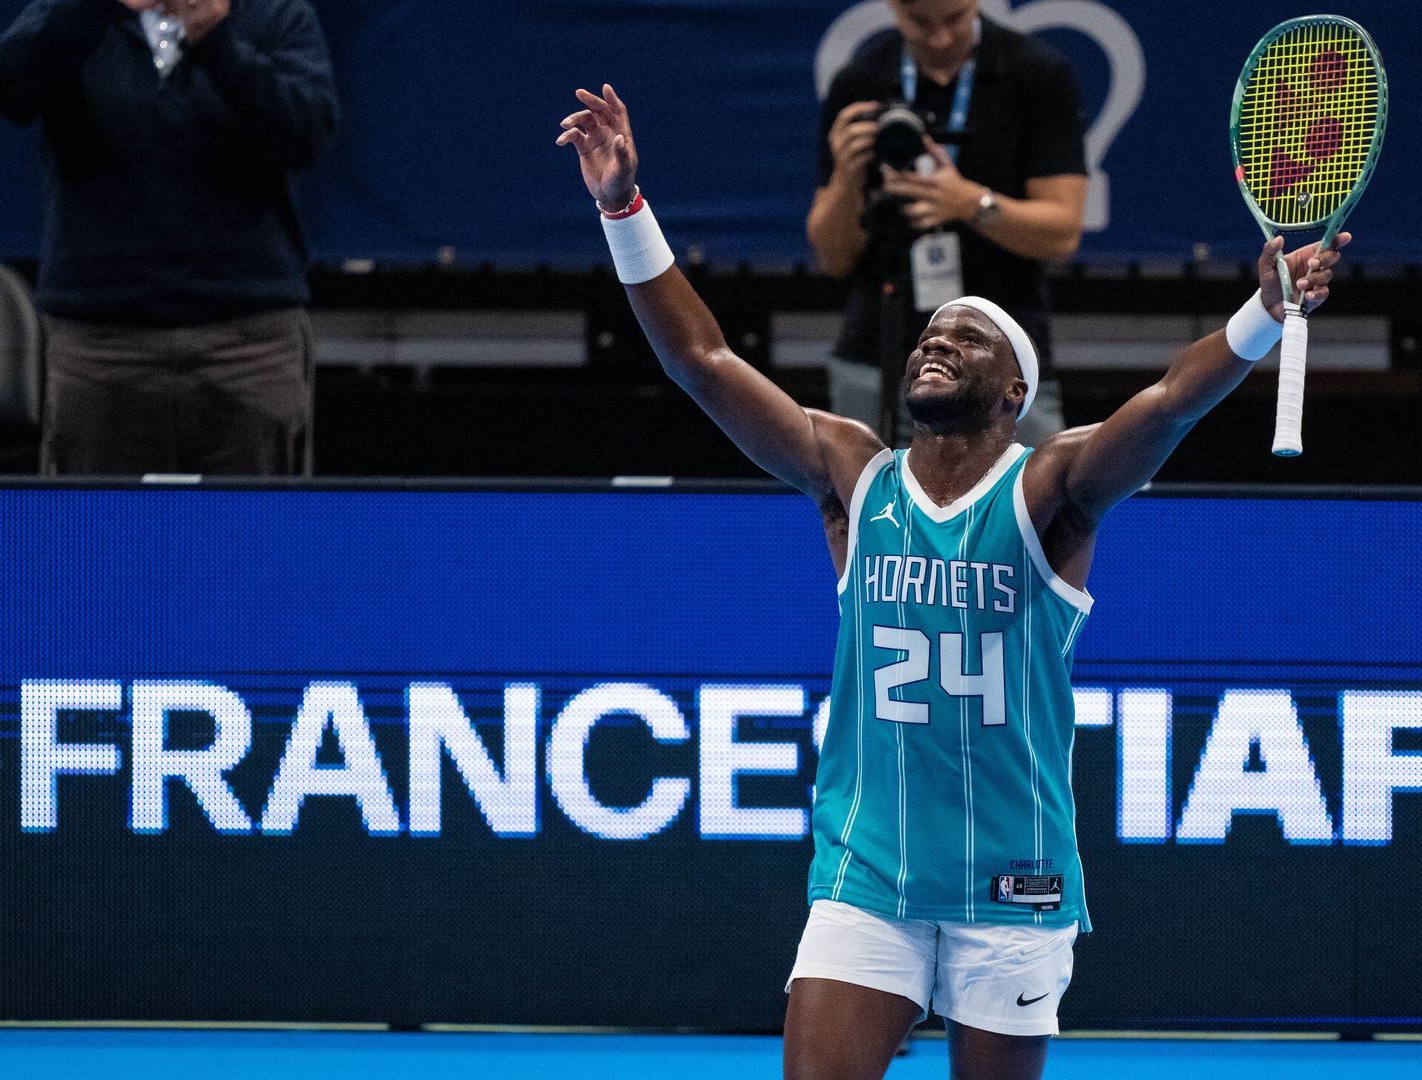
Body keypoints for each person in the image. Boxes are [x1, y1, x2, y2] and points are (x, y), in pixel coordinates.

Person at [559, 84, 1345, 1079]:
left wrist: (1262, 316)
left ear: (1014, 394)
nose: (936, 341)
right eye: (931, 335)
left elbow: (1168, 405)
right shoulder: (853, 474)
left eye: (967, 338)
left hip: (1011, 891)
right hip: (867, 881)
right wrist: (625, 207)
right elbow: (704, 361)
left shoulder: (1053, 486)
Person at [0, 0, 338, 476]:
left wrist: (218, 43)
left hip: (246, 345)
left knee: (253, 542)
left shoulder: (275, 14)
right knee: (96, 543)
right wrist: (89, 12)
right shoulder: (72, 13)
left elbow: (307, 132)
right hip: (102, 347)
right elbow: (3, 90)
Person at [808, 0, 1087, 446]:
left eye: (954, 19)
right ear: (894, 7)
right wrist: (845, 179)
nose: (939, 38)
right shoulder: (860, 80)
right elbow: (833, 257)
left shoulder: (1037, 73)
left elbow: (1062, 233)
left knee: (1028, 513)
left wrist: (970, 203)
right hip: (877, 358)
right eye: (920, 22)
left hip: (1004, 366)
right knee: (866, 515)